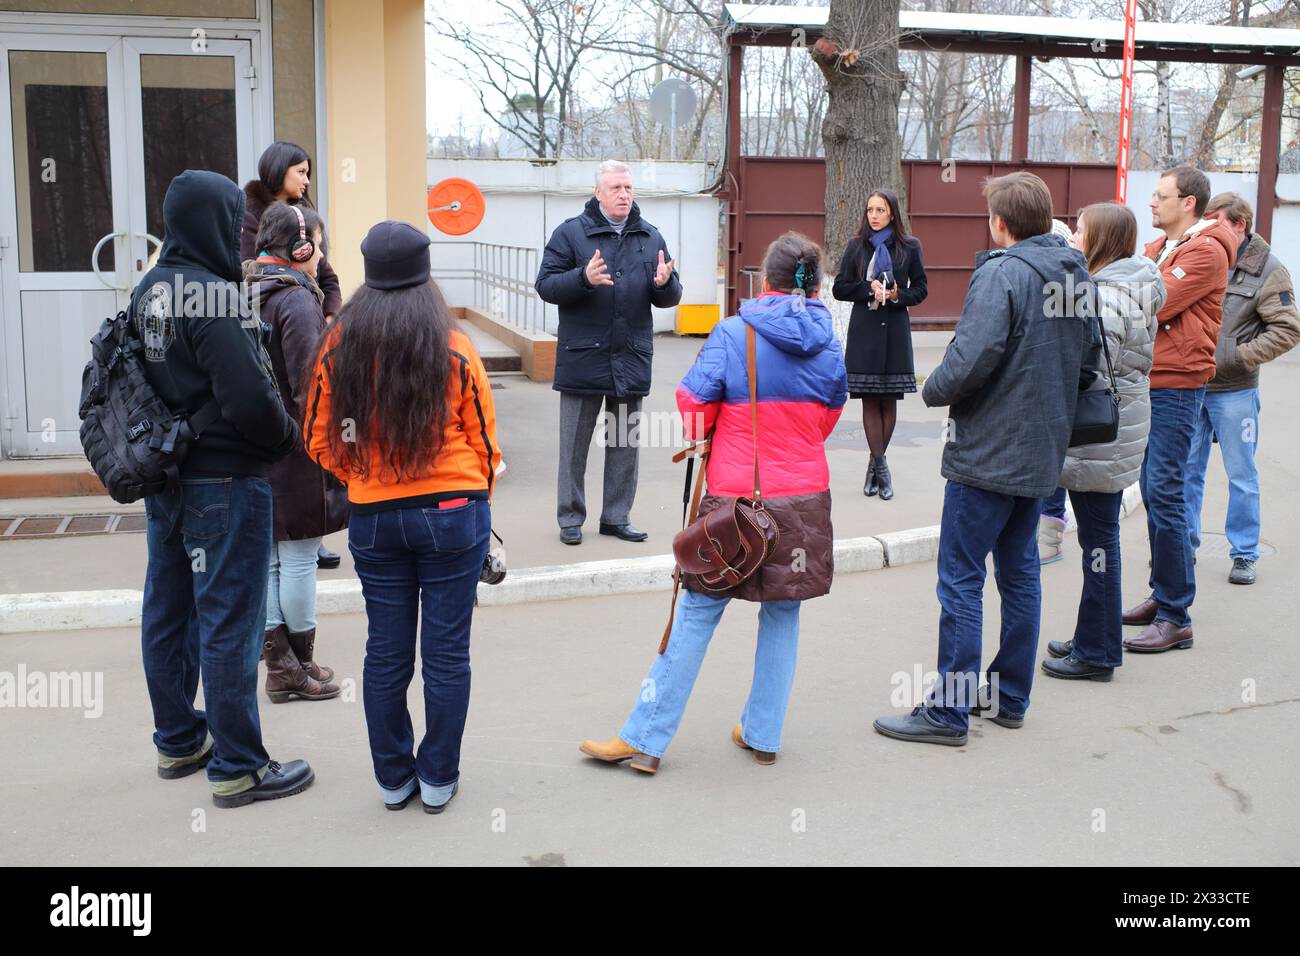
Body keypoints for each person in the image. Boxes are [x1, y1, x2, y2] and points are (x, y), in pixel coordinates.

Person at [579, 232, 847, 773]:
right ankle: (763, 733)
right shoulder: (829, 340)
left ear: (764, 281)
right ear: (814, 285)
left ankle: (646, 740)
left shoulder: (732, 333)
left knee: (696, 613)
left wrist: (717, 433)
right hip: (804, 500)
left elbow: (694, 403)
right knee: (783, 613)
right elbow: (828, 414)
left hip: (736, 500)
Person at [873, 171, 1094, 746]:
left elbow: (971, 358)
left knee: (961, 580)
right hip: (1042, 450)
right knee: (1020, 575)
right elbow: (1090, 360)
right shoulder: (1075, 272)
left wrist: (932, 387)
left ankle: (948, 713)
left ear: (1001, 223)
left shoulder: (1003, 273)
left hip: (990, 453)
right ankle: (1010, 696)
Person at [305, 221, 500, 813]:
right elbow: (485, 440)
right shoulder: (454, 343)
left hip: (375, 516)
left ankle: (393, 780)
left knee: (386, 652)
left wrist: (361, 474)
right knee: (447, 653)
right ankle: (438, 778)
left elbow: (317, 438)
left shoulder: (340, 344)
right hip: (454, 512)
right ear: (425, 272)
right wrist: (476, 497)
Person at [135, 170, 314, 807]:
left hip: (168, 479)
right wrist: (287, 437)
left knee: (168, 611)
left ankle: (180, 740)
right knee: (230, 622)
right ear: (214, 220)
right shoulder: (212, 295)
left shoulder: (150, 289)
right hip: (226, 483)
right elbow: (250, 398)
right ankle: (239, 766)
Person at [1043, 202, 1165, 682]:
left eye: (1080, 231)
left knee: (1099, 544)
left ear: (1101, 241)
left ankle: (1096, 653)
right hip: (1117, 431)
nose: (1073, 237)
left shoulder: (1110, 294)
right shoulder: (1129, 282)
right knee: (1100, 540)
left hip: (1101, 437)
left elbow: (1089, 364)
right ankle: (1094, 634)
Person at [535, 160, 682, 546]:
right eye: (615, 188)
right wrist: (583, 278)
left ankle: (616, 517)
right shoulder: (570, 234)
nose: (623, 194)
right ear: (598, 193)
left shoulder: (650, 237)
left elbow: (669, 295)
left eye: (628, 188)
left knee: (624, 445)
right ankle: (570, 518)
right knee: (574, 447)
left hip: (630, 356)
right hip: (583, 356)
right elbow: (546, 285)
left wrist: (665, 284)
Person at [1122, 167, 1237, 653]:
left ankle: (1176, 615)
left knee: (1166, 493)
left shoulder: (1205, 251)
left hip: (1177, 385)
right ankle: (1163, 593)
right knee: (1154, 490)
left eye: (1161, 195)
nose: (1151, 203)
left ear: (1187, 203)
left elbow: (1156, 301)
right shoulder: (1164, 249)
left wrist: (1135, 287)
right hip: (1155, 381)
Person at [245, 202, 347, 702]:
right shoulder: (297, 302)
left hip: (252, 446)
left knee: (267, 560)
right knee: (302, 555)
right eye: (318, 246)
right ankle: (298, 663)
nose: (321, 256)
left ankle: (281, 666)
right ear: (300, 248)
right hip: (297, 447)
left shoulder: (242, 292)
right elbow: (312, 383)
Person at [1184, 193, 1300, 586]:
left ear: (1240, 224)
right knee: (1185, 473)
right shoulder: (1201, 254)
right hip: (1190, 386)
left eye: (1217, 219)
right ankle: (1183, 548)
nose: (1208, 226)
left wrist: (1235, 357)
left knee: (1242, 475)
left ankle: (1245, 553)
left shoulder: (1268, 269)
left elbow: (1287, 328)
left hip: (1234, 390)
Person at [241, 140, 345, 571]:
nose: (306, 180)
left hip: (303, 321)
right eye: (299, 171)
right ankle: (295, 534)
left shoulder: (309, 221)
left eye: (308, 172)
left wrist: (326, 316)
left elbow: (328, 276)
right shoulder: (249, 215)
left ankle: (307, 529)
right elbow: (249, 274)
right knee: (289, 426)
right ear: (277, 170)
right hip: (270, 335)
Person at [832, 188, 927, 500]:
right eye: (870, 210)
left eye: (880, 210)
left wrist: (898, 295)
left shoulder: (909, 247)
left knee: (890, 400)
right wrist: (868, 289)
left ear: (892, 214)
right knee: (871, 400)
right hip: (866, 332)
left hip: (896, 331)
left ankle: (874, 466)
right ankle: (882, 468)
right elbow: (839, 288)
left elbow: (922, 290)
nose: (874, 216)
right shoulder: (856, 247)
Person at [1037, 219, 1084, 564]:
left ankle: (1049, 538)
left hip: (1057, 392)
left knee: (1056, 466)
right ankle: (1042, 537)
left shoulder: (1072, 284)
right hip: (1048, 390)